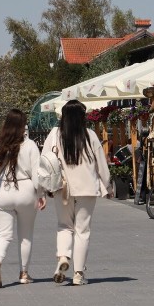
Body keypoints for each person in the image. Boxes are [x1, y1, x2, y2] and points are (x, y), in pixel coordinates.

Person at [42, 100, 112, 286]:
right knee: (82, 230)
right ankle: (78, 273)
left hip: (61, 187)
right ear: (82, 117)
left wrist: (43, 189)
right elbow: (101, 165)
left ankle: (63, 257)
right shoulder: (90, 135)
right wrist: (108, 186)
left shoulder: (54, 135)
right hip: (87, 188)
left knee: (64, 226)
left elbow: (43, 162)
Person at [0, 109, 46, 288]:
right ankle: (24, 273)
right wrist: (41, 194)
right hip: (25, 190)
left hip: (3, 190)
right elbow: (37, 173)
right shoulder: (30, 145)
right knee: (25, 235)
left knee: (3, 234)